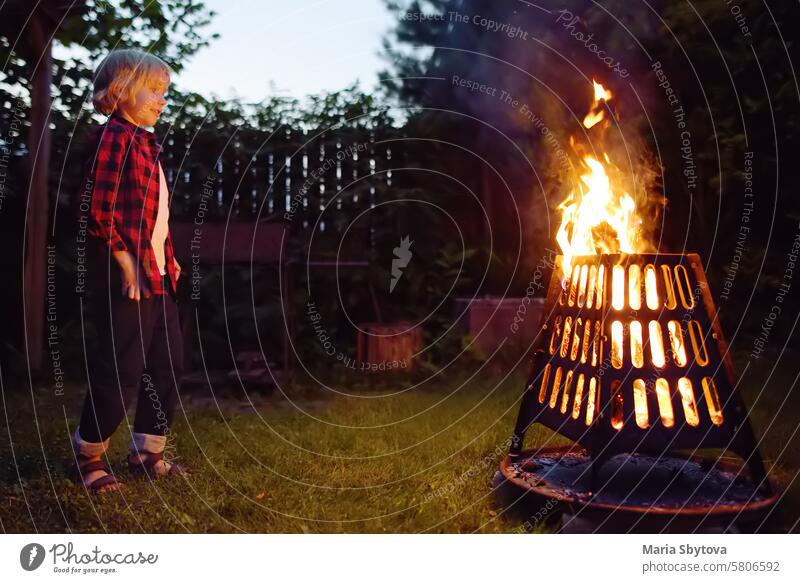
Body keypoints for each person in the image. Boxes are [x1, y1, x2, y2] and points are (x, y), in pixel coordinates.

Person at [71, 48, 189, 494]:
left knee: (167, 364)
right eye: (154, 90)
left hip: (157, 274)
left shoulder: (145, 143)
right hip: (129, 279)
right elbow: (96, 211)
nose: (162, 100)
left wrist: (169, 254)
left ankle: (147, 452)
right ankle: (89, 455)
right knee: (121, 368)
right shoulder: (113, 139)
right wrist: (123, 260)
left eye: (165, 93)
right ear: (120, 91)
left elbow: (152, 213)